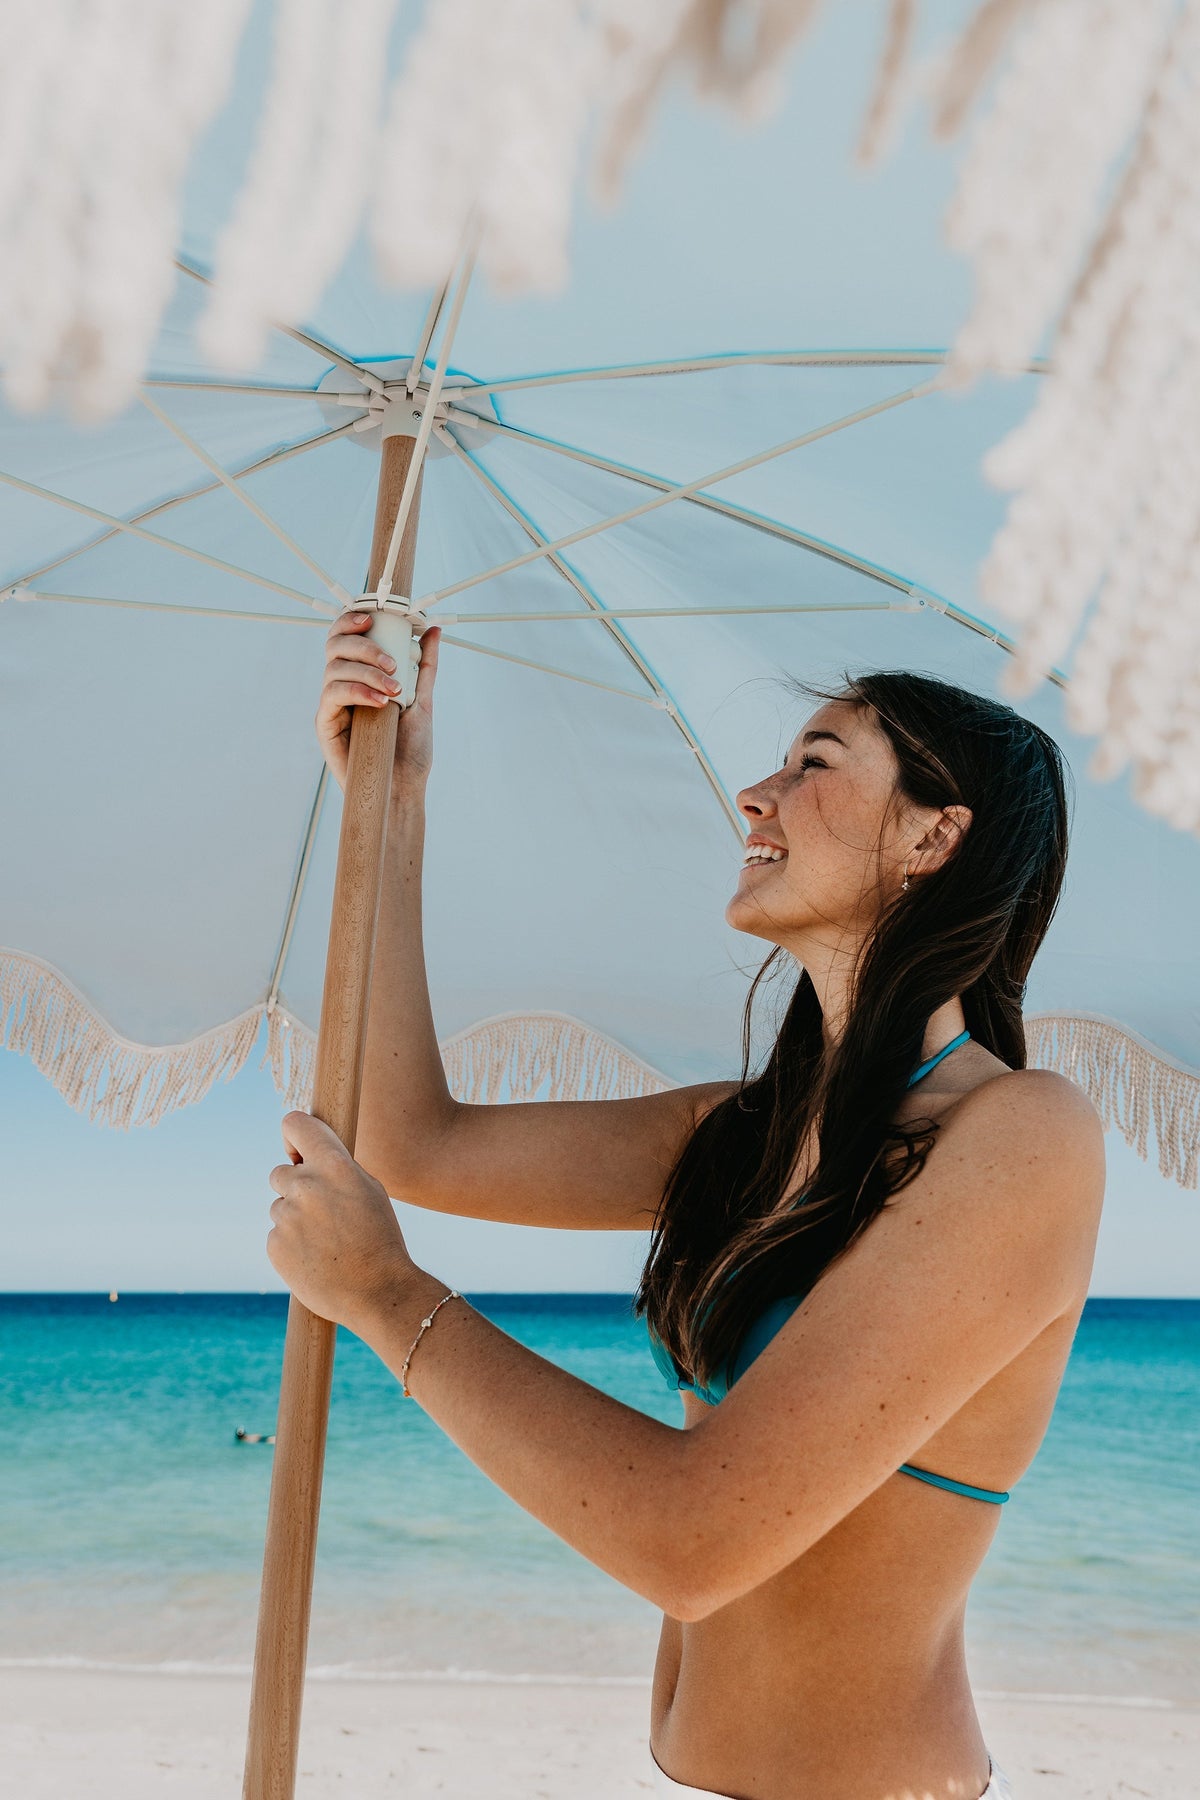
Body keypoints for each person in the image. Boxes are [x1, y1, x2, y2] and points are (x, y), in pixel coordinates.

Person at [265, 611, 1105, 1800]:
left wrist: (389, 1298)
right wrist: (387, 801)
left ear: (935, 836)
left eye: (815, 764)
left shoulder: (1021, 1134)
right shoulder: (746, 1137)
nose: (755, 798)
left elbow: (692, 1543)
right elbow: (413, 1142)